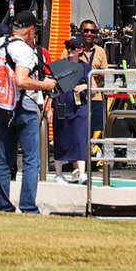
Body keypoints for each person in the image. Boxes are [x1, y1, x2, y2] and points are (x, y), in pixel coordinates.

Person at [0, 10, 58, 214]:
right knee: (31, 160)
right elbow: (21, 80)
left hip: (3, 107)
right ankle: (28, 206)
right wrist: (45, 85)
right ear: (31, 30)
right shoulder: (25, 50)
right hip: (25, 106)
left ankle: (3, 205)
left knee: (4, 160)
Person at [50, 37, 92, 182]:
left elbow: (94, 85)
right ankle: (58, 174)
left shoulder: (85, 67)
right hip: (61, 105)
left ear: (80, 49)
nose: (70, 50)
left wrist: (84, 86)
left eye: (73, 47)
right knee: (60, 137)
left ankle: (82, 173)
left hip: (79, 106)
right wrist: (49, 108)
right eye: (68, 46)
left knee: (80, 137)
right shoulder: (60, 65)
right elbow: (51, 87)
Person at [77, 19, 109, 135]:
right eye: (86, 30)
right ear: (80, 32)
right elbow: (63, 69)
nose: (89, 34)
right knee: (78, 128)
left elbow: (106, 73)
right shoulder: (72, 49)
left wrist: (93, 73)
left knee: (96, 128)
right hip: (77, 97)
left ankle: (93, 145)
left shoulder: (100, 51)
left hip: (96, 96)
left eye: (92, 31)